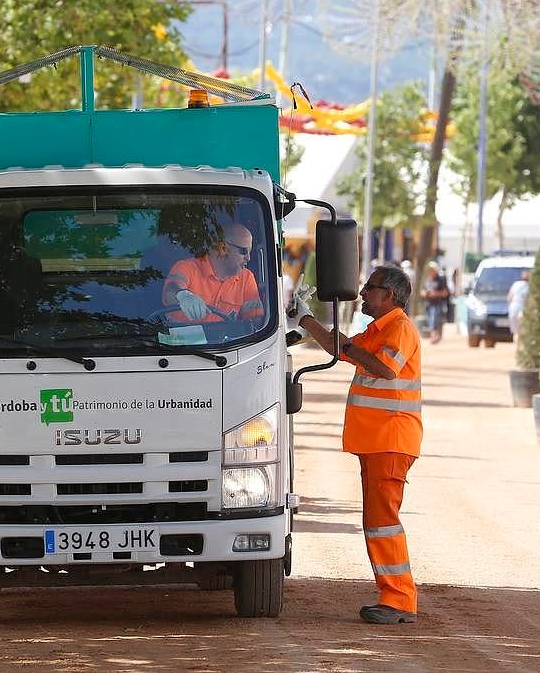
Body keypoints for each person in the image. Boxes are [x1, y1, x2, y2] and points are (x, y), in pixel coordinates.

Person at [292, 264, 422, 625]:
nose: (362, 293)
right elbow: (343, 350)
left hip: (391, 441)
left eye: (370, 288)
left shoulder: (399, 330)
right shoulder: (381, 329)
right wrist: (306, 321)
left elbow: (384, 369)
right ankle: (395, 596)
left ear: (389, 295)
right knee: (378, 521)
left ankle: (398, 599)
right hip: (380, 441)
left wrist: (345, 343)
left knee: (383, 522)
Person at [161, 222, 264, 323]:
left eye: (250, 252)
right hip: (182, 339)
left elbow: (256, 326)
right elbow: (170, 289)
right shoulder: (187, 267)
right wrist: (184, 296)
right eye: (244, 251)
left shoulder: (247, 278)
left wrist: (250, 317)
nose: (248, 258)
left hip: (230, 340)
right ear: (223, 248)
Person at [420, 262, 449, 343]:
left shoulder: (441, 280)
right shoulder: (427, 279)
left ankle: (434, 336)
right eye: (430, 269)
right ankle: (435, 335)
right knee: (430, 320)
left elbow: (445, 292)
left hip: (437, 304)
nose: (431, 271)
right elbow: (422, 291)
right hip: (428, 303)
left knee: (434, 319)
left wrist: (436, 294)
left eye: (432, 269)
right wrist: (425, 293)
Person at [507, 271, 530, 340]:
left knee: (516, 332)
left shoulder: (516, 284)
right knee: (523, 330)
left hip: (513, 307)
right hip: (523, 308)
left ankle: (517, 348)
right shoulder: (530, 286)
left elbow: (509, 297)